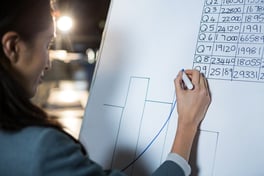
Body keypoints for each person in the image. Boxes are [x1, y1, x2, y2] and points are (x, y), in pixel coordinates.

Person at [0, 0, 211, 175]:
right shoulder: (42, 150)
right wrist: (187, 124)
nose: (47, 62)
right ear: (12, 47)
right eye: (47, 44)